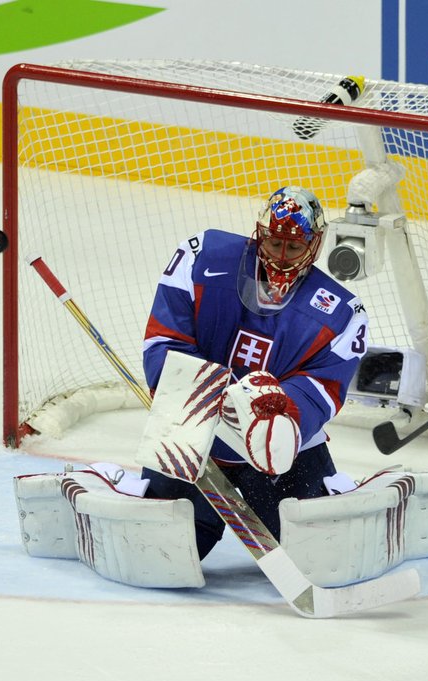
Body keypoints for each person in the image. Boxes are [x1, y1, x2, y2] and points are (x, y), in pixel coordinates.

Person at [140, 185, 369, 559]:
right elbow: (164, 343)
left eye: (293, 247)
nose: (281, 256)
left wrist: (278, 406)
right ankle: (116, 486)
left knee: (314, 555)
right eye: (274, 242)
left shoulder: (342, 313)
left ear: (314, 245)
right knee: (162, 551)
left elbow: (323, 389)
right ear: (259, 232)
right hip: (194, 433)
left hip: (278, 452)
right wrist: (226, 399)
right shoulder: (201, 256)